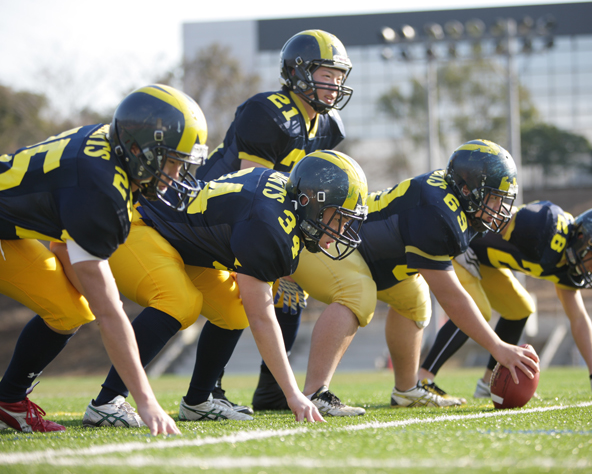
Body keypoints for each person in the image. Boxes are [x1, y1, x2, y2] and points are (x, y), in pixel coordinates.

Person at [56, 150, 367, 426]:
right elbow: (263, 316)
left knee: (233, 311)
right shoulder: (270, 226)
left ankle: (198, 400)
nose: (341, 229)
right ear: (309, 201)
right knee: (178, 302)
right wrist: (293, 393)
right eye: (339, 218)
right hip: (143, 223)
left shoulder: (284, 199)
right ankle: (107, 401)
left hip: (184, 241)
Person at [253, 139, 540, 416]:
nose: (499, 208)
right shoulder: (439, 212)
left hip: (367, 252)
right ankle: (316, 391)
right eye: (493, 197)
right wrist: (498, 347)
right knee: (357, 292)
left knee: (414, 299)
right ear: (466, 189)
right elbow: (452, 297)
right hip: (329, 239)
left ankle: (406, 389)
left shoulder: (456, 204)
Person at [0, 84, 209, 434]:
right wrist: (145, 399)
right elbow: (110, 315)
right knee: (95, 308)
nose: (175, 175)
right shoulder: (101, 192)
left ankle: (9, 401)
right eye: (172, 162)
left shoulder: (108, 147)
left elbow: (62, 242)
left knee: (70, 309)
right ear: (138, 147)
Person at [193, 28, 354, 413]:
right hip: (219, 214)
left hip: (266, 216)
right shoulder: (268, 112)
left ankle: (270, 392)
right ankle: (208, 390)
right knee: (235, 299)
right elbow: (250, 185)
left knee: (291, 299)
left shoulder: (328, 127)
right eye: (325, 74)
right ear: (297, 73)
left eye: (338, 76)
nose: (333, 85)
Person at [418, 202, 592, 402]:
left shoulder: (569, 265)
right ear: (584, 237)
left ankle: (487, 383)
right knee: (478, 311)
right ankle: (423, 379)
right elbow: (494, 212)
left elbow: (578, 317)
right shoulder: (545, 224)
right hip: (462, 249)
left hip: (486, 262)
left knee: (520, 308)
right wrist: (462, 240)